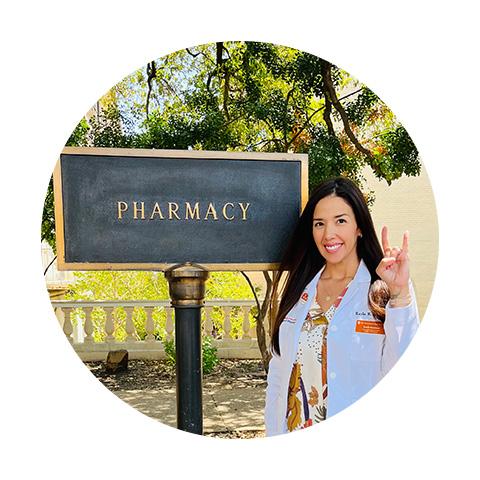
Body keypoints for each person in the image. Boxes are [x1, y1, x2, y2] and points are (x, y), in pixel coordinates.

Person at [264, 176, 419, 436]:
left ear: (359, 227)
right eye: (319, 224)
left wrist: (401, 293)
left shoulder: (381, 290)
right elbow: (279, 377)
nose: (328, 234)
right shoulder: (299, 289)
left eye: (341, 221)